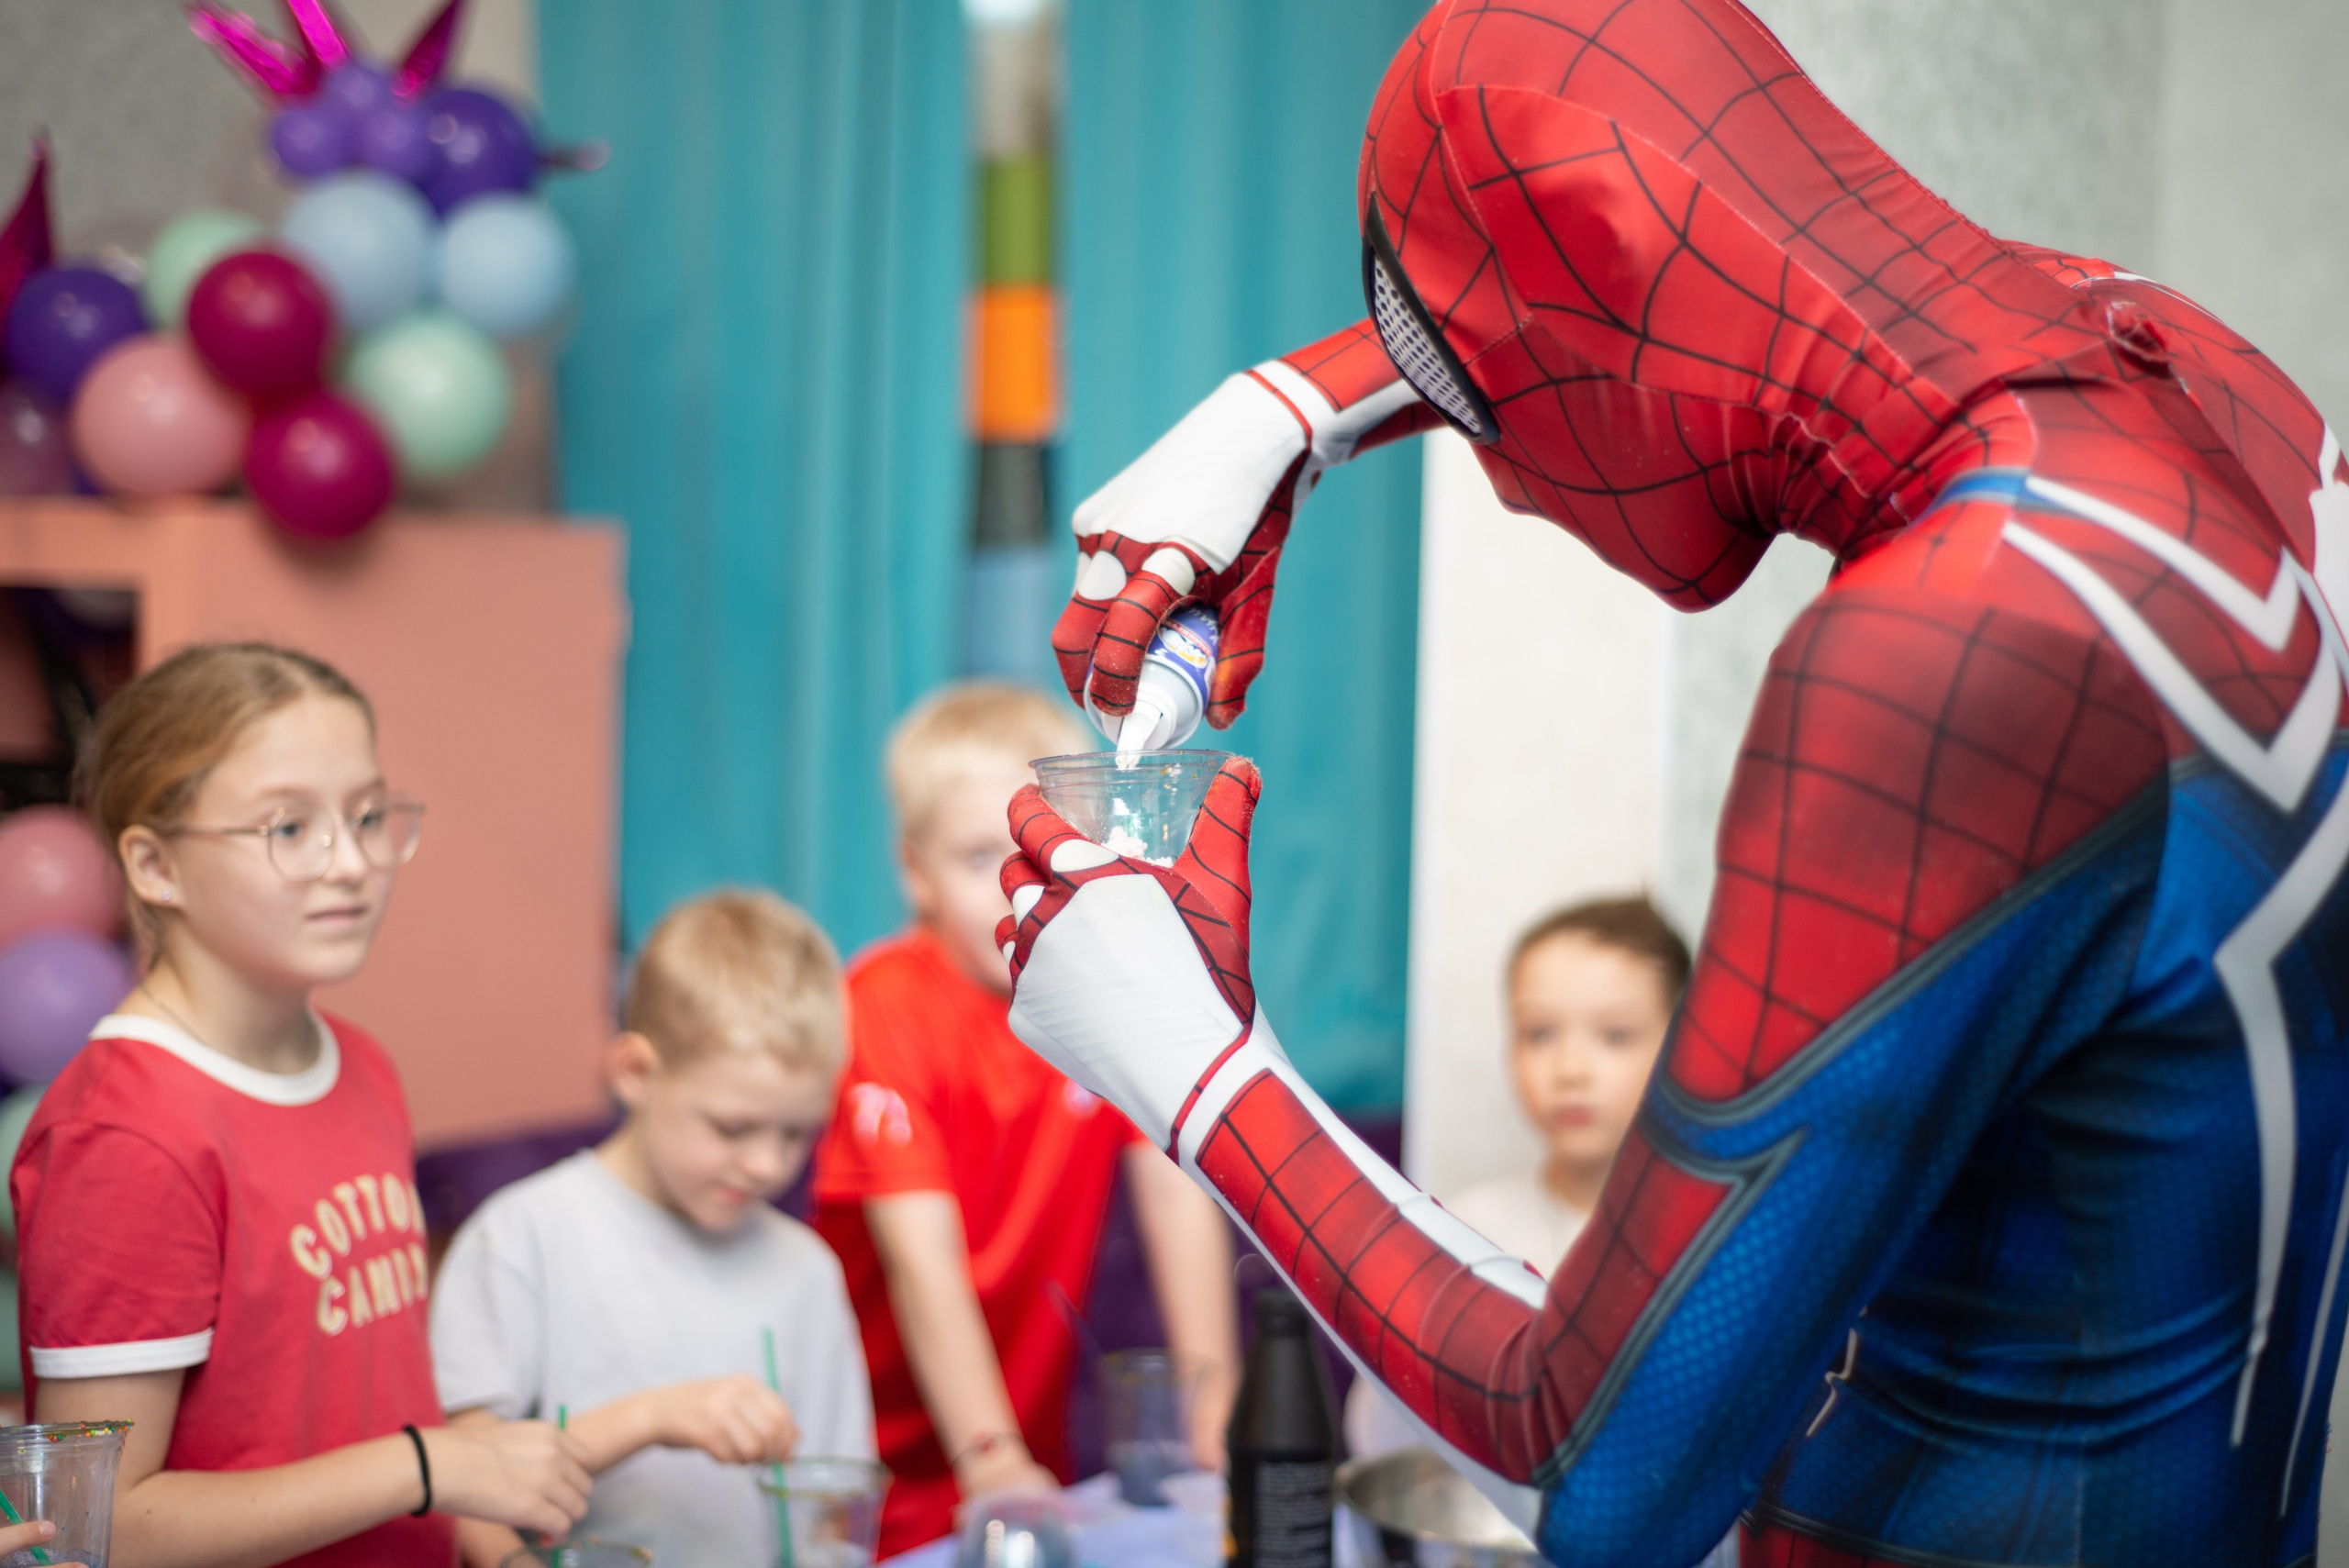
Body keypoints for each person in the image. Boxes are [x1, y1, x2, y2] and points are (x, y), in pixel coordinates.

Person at [1001, 0, 2349, 1562]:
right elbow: (1790, 236)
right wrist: (1294, 407)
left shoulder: (1957, 648)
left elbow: (1608, 1470)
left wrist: (1185, 1059)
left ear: (1609, 263)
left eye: (1478, 389)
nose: (1497, 471)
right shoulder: (2195, 380)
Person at [11, 642, 590, 1568]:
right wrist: (425, 1465)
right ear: (156, 865)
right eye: (289, 827)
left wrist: (487, 1533)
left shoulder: (362, 1065)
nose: (352, 861)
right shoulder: (126, 1133)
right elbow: (99, 1526)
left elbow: (375, 1391)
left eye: (367, 815)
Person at [811, 683, 1239, 1556]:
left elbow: (1176, 1186)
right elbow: (917, 1256)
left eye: (1036, 851)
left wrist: (1218, 1403)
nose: (1013, 886)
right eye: (976, 859)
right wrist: (990, 1450)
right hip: (878, 1465)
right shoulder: (884, 1001)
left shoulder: (1101, 995)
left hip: (1032, 1465)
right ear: (913, 871)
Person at [431, 889, 873, 1568]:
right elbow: (467, 1486)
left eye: (797, 1132)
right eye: (732, 1126)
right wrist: (652, 1416)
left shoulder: (806, 1271)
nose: (767, 1163)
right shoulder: (523, 1237)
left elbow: (833, 1505)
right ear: (635, 1071)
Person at [1345, 896, 1687, 1460]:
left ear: (1685, 1049)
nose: (1571, 1070)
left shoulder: (1724, 1254)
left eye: (1616, 1035)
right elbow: (1380, 1443)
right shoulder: (1465, 1235)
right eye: (1540, 1034)